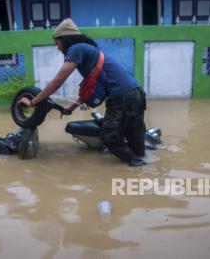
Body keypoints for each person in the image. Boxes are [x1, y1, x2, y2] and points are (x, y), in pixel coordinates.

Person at [18, 18, 147, 167]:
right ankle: (142, 168)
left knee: (109, 137)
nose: (57, 48)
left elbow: (58, 81)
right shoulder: (90, 50)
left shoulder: (76, 49)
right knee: (135, 137)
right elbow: (90, 88)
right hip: (136, 93)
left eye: (57, 43)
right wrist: (71, 108)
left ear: (64, 40)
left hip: (121, 96)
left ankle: (135, 164)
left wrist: (33, 102)